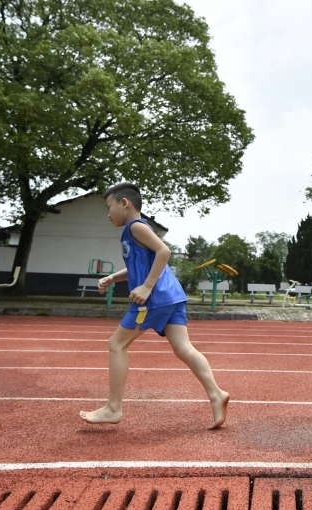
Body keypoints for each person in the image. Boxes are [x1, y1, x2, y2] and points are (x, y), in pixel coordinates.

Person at [80, 182, 230, 429]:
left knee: (116, 344)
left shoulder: (135, 226)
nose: (108, 214)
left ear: (124, 203)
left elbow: (164, 251)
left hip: (154, 299)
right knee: (184, 349)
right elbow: (142, 265)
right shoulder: (138, 229)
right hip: (172, 297)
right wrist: (112, 278)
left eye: (109, 207)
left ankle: (113, 408)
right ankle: (216, 394)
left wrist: (147, 287)